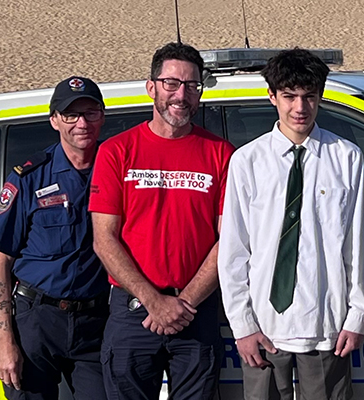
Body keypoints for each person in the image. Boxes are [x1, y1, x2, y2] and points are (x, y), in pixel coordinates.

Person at [218, 48, 364, 400]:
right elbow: (233, 251)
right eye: (289, 97)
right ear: (272, 97)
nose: (299, 108)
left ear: (320, 97)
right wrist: (242, 326)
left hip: (326, 328)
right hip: (264, 328)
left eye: (309, 97)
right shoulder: (247, 162)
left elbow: (358, 244)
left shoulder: (346, 157)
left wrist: (356, 316)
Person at [89, 42, 235, 400]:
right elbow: (103, 238)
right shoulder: (116, 152)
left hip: (195, 313)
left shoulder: (221, 154)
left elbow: (229, 239)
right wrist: (154, 302)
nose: (181, 95)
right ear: (151, 86)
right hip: (133, 312)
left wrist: (182, 303)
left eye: (191, 86)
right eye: (171, 83)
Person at [0, 76, 109, 399]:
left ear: (102, 117)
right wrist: (5, 342)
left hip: (95, 324)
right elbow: (0, 263)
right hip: (36, 321)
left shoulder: (115, 171)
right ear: (54, 120)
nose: (81, 123)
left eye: (90, 113)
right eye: (70, 114)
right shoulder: (29, 177)